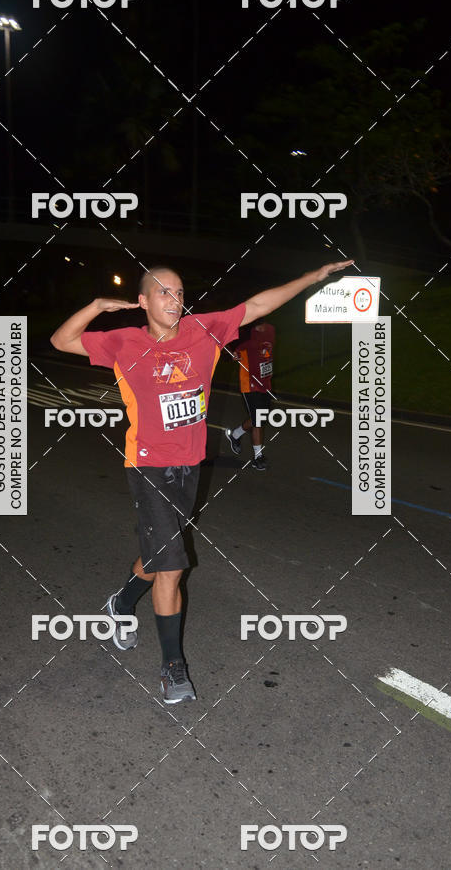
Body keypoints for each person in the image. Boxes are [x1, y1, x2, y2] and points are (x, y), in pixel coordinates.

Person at [50, 258, 352, 704]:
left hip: (189, 466)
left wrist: (312, 275)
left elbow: (257, 305)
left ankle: (120, 603)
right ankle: (173, 669)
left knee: (159, 554)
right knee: (172, 564)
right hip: (148, 466)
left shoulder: (204, 330)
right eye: (164, 293)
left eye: (180, 293)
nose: (175, 300)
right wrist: (96, 305)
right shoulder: (124, 341)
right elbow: (62, 340)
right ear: (142, 301)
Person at [225, 320, 276, 470]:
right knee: (258, 420)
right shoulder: (245, 335)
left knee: (260, 418)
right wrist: (233, 355)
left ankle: (235, 434)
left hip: (265, 382)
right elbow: (230, 347)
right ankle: (258, 457)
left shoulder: (271, 329)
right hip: (250, 384)